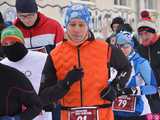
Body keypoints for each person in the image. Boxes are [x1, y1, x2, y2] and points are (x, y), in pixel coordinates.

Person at [39, 4, 131, 120]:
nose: (77, 29)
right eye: (72, 24)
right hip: (68, 113)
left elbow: (126, 67)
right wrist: (66, 83)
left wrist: (115, 87)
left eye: (81, 24)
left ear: (88, 26)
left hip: (102, 114)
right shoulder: (55, 54)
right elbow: (43, 95)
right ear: (66, 25)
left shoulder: (105, 48)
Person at [0, 25, 52, 120]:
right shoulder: (3, 65)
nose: (9, 46)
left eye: (13, 42)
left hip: (42, 114)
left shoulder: (43, 58)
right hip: (17, 114)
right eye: (5, 44)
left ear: (21, 42)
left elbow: (53, 82)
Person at [113, 31, 158, 120]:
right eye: (120, 46)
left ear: (131, 46)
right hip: (115, 112)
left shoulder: (141, 63)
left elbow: (153, 88)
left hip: (138, 112)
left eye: (126, 46)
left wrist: (134, 90)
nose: (122, 50)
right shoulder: (112, 62)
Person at [137, 10, 160, 115]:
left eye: (146, 33)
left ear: (153, 32)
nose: (143, 37)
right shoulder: (140, 49)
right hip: (147, 94)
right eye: (141, 34)